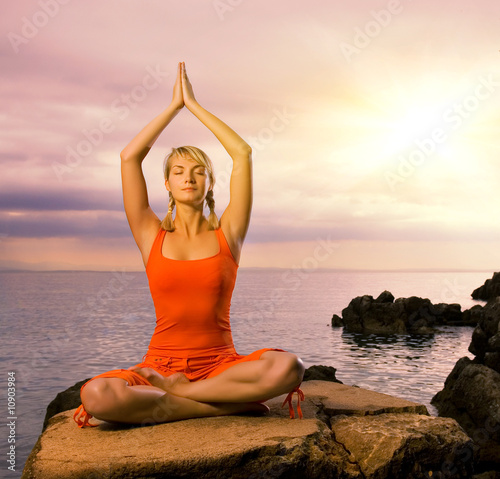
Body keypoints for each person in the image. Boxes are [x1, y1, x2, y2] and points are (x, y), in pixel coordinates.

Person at [73, 62, 305, 427]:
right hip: (159, 365)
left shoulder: (228, 234)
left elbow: (242, 153)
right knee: (96, 394)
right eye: (179, 171)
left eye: (199, 171)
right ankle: (216, 406)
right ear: (166, 183)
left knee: (291, 367)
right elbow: (128, 157)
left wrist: (194, 106)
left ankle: (182, 396)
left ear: (210, 183)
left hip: (221, 366)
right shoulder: (151, 234)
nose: (189, 177)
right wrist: (172, 108)